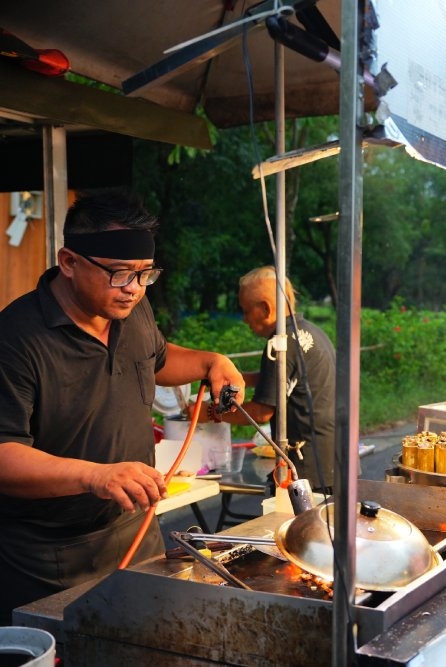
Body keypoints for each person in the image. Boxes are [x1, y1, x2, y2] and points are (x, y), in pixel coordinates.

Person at [0, 190, 245, 626]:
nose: (133, 289)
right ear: (70, 262)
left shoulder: (133, 310)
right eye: (118, 274)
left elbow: (160, 358)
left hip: (136, 531)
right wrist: (94, 474)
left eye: (143, 274)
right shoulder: (16, 338)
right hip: (48, 555)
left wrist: (211, 361)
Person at [211, 266, 336, 493]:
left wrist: (211, 413)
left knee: (298, 529)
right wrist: (243, 379)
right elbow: (288, 383)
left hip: (306, 468)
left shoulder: (279, 343)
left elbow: (261, 412)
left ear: (266, 309)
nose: (245, 319)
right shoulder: (313, 333)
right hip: (335, 461)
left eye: (246, 310)